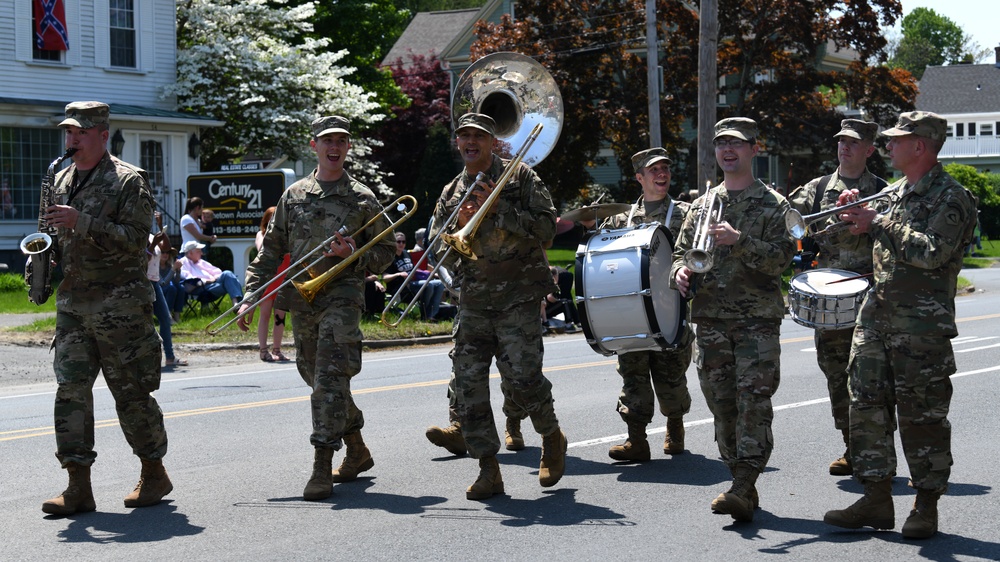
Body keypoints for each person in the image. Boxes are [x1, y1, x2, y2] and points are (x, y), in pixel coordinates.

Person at [824, 111, 978, 539]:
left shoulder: (953, 197)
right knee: (866, 409)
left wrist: (879, 222)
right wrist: (856, 219)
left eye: (896, 140)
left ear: (920, 146)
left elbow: (931, 252)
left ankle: (925, 506)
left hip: (920, 329)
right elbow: (873, 239)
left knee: (922, 417)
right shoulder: (896, 192)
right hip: (876, 320)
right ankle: (876, 498)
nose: (888, 146)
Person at [237, 115, 395, 501]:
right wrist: (250, 294)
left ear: (348, 148)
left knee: (327, 379)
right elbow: (270, 251)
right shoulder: (293, 196)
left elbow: (388, 251)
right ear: (315, 146)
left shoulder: (362, 197)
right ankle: (356, 448)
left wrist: (355, 254)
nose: (334, 147)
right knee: (318, 377)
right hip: (303, 300)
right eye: (328, 141)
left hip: (342, 297)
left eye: (341, 140)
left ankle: (322, 464)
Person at [40, 101, 172, 515]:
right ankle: (78, 484)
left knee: (131, 393)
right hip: (74, 304)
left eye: (80, 132)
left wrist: (83, 222)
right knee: (71, 392)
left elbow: (135, 238)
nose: (72, 140)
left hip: (122, 306)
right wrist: (43, 258)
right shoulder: (58, 179)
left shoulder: (129, 181)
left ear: (101, 133)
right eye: (68, 132)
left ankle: (154, 471)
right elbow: (55, 235)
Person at [429, 112, 567, 500]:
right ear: (458, 143)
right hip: (473, 300)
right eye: (464, 136)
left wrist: (495, 211)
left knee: (523, 381)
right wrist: (458, 235)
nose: (471, 142)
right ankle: (489, 468)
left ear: (494, 142)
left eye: (479, 136)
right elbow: (443, 249)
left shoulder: (520, 177)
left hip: (518, 297)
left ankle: (552, 437)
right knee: (469, 386)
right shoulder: (451, 192)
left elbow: (546, 228)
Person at [670, 117, 795, 523]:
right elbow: (678, 253)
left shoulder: (774, 204)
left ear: (754, 150)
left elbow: (782, 261)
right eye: (721, 142)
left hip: (756, 321)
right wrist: (679, 273)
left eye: (737, 144)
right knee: (721, 404)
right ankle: (739, 477)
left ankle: (743, 482)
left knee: (753, 402)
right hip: (709, 320)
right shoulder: (702, 205)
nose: (728, 150)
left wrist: (740, 241)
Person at [787, 119, 886, 476]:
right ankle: (850, 444)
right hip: (828, 298)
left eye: (853, 142)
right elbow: (788, 220)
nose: (844, 147)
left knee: (869, 378)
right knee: (834, 374)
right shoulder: (816, 189)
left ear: (869, 149)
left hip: (869, 298)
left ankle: (873, 449)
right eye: (841, 141)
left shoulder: (882, 191)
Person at [598, 148, 694, 462]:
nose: (661, 174)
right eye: (653, 170)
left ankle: (675, 425)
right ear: (640, 178)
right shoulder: (620, 218)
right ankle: (636, 440)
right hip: (631, 313)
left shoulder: (685, 213)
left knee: (671, 376)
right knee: (632, 374)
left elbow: (696, 253)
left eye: (665, 168)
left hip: (670, 308)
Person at [383, 231, 446, 321]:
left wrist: (431, 273)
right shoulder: (389, 257)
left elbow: (414, 269)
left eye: (403, 242)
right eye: (398, 241)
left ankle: (432, 314)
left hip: (413, 283)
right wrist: (398, 274)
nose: (401, 244)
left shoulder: (406, 254)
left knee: (439, 283)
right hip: (400, 288)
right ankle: (425, 316)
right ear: (393, 242)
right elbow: (384, 278)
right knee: (428, 285)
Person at [255, 206, 290, 362]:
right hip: (268, 279)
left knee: (280, 316)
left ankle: (277, 350)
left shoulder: (287, 236)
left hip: (283, 279)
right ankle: (263, 350)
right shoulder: (261, 235)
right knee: (265, 315)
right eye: (272, 220)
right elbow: (262, 249)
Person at [147, 231, 187, 367]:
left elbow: (167, 248)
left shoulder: (152, 235)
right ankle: (144, 358)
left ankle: (169, 357)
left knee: (165, 319)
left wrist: (161, 229)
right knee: (145, 321)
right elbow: (144, 258)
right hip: (143, 282)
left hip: (155, 282)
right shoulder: (139, 235)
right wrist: (152, 244)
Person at [178, 240, 243, 308]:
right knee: (234, 281)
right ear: (190, 253)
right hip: (201, 289)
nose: (201, 253)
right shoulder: (183, 263)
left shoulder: (201, 262)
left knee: (227, 273)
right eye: (198, 251)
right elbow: (190, 279)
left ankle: (236, 304)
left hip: (213, 285)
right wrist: (208, 280)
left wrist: (214, 278)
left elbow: (217, 272)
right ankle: (239, 304)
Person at [159, 247, 187, 323]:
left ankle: (177, 315)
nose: (165, 254)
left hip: (168, 289)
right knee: (171, 288)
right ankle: (167, 316)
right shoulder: (155, 266)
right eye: (163, 252)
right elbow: (163, 283)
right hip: (157, 290)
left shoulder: (168, 265)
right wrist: (173, 269)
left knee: (180, 288)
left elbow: (176, 281)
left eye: (167, 253)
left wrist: (178, 271)